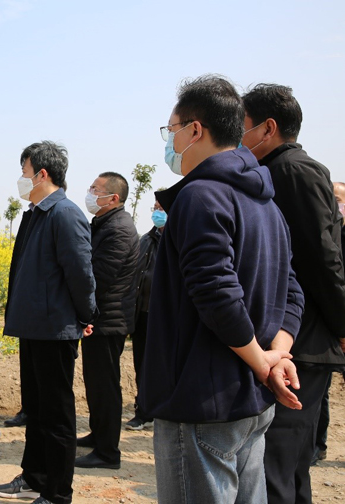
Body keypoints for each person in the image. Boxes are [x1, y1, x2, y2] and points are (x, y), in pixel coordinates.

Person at [139, 75, 304, 504]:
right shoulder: (266, 203)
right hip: (251, 399)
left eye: (171, 130)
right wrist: (277, 355)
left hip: (202, 401)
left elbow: (216, 294)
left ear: (195, 129)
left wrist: (265, 363)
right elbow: (292, 291)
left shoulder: (200, 195)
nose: (170, 142)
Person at [241, 84, 345, 504]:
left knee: (277, 466)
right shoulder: (276, 170)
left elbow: (322, 258)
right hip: (292, 338)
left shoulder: (293, 172)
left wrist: (342, 325)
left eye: (242, 125)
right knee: (287, 465)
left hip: (300, 342)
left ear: (268, 128)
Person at [0, 141, 97, 504]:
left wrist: (86, 315)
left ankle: (57, 493)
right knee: (35, 411)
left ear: (41, 174)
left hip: (54, 329)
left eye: (24, 172)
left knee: (56, 416)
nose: (20, 179)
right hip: (34, 326)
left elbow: (81, 273)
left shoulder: (64, 214)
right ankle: (34, 477)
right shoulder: (36, 213)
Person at [75, 172, 138, 470]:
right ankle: (98, 435)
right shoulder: (103, 223)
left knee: (105, 386)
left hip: (109, 320)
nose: (90, 193)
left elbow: (99, 276)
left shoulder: (120, 228)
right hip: (100, 318)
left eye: (95, 189)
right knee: (96, 383)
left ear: (113, 198)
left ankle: (108, 452)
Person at [123, 196, 165, 431]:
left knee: (164, 366)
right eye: (155, 208)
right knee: (142, 364)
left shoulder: (179, 239)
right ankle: (144, 412)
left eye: (162, 208)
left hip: (166, 318)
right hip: (143, 314)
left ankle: (163, 411)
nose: (157, 212)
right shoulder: (146, 240)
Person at [312, 181, 345, 465]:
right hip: (332, 321)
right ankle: (318, 444)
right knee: (320, 390)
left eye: (339, 198)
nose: (335, 203)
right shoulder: (328, 234)